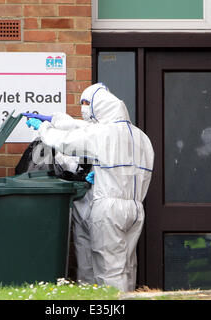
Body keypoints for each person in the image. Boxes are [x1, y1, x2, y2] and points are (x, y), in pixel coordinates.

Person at [26, 83, 154, 292]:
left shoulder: (104, 134)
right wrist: (56, 120)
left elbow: (67, 141)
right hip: (136, 208)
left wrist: (44, 129)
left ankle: (111, 307)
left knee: (108, 269)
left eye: (87, 104)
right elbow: (86, 129)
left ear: (100, 107)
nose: (84, 108)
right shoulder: (141, 137)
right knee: (128, 266)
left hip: (109, 208)